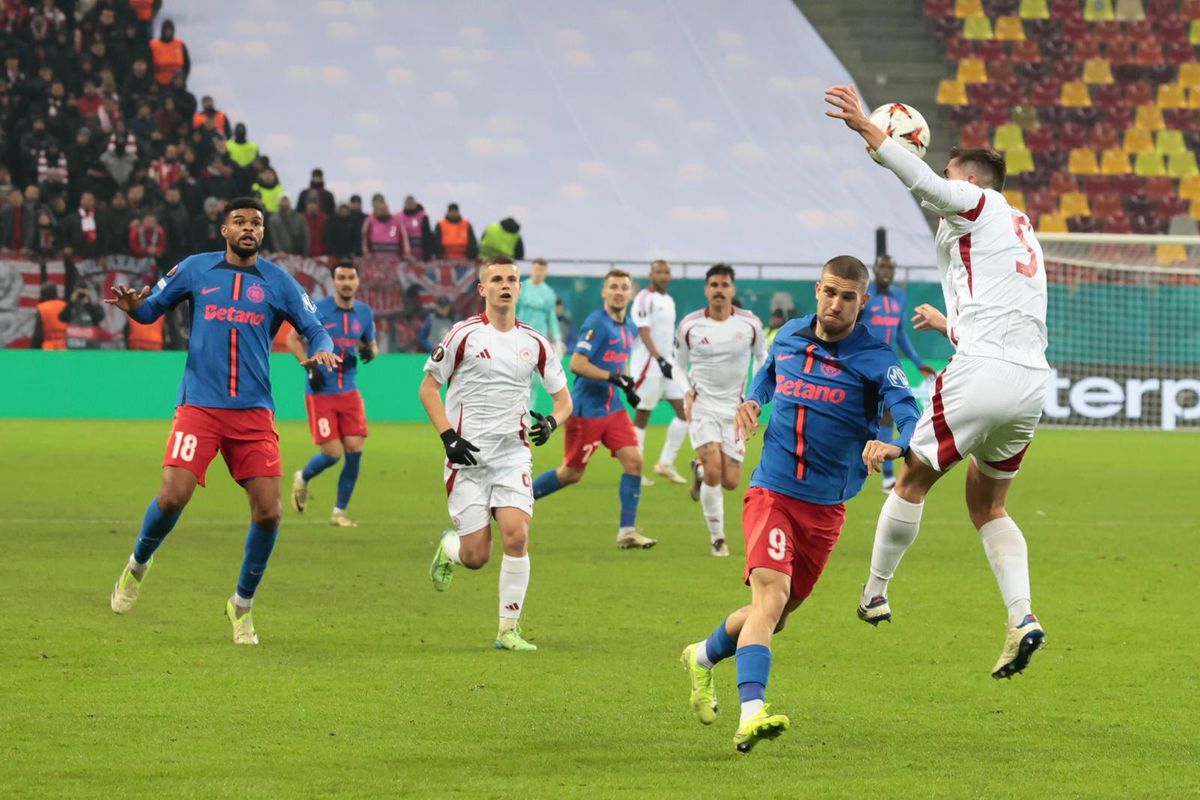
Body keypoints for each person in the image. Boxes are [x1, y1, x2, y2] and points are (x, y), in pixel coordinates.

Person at [825, 83, 1049, 678]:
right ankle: (1022, 617)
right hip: (1030, 382)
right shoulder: (1020, 227)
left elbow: (925, 183)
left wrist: (869, 131)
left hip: (983, 372)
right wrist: (950, 324)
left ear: (972, 182)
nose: (944, 181)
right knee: (988, 503)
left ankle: (874, 592)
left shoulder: (979, 202)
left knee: (911, 479)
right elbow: (1008, 313)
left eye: (952, 174)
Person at [679, 255, 920, 753]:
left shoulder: (877, 358)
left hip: (827, 508)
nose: (836, 304)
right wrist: (753, 401)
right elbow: (767, 375)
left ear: (862, 302)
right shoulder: (788, 335)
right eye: (829, 292)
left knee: (775, 614)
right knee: (770, 599)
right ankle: (752, 713)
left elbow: (908, 413)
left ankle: (701, 656)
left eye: (847, 297)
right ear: (817, 289)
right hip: (772, 491)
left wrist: (896, 445)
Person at [104, 197, 338, 645]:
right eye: (239, 222)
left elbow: (315, 328)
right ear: (224, 230)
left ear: (262, 232)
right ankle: (137, 565)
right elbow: (151, 310)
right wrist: (134, 307)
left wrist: (324, 347)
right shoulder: (196, 269)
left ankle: (241, 606)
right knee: (172, 497)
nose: (249, 228)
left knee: (269, 513)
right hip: (200, 406)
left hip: (253, 412)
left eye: (256, 223)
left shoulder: (279, 282)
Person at [422, 257, 573, 651]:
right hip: (467, 459)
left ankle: (508, 630)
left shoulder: (535, 343)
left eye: (511, 280)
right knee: (476, 557)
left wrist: (552, 422)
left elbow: (564, 402)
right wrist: (449, 438)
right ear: (482, 289)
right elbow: (428, 389)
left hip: (512, 456)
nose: (505, 285)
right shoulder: (463, 335)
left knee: (517, 536)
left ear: (519, 288)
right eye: (497, 280)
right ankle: (450, 547)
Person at [530, 269, 657, 550]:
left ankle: (627, 532)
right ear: (604, 292)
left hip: (613, 408)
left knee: (635, 462)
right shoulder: (596, 324)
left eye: (623, 287)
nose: (619, 292)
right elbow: (577, 363)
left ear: (631, 293)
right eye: (613, 287)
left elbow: (620, 363)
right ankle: (517, 499)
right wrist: (613, 378)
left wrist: (627, 388)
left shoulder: (629, 327)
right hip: (586, 412)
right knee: (571, 474)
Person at [673, 264, 766, 557]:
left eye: (724, 285)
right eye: (714, 285)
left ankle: (699, 470)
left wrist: (755, 397)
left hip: (735, 409)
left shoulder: (750, 324)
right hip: (702, 407)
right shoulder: (690, 326)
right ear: (706, 290)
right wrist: (685, 389)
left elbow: (761, 358)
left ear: (732, 289)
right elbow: (677, 365)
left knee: (731, 481)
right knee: (715, 473)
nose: (719, 290)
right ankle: (718, 540)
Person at [288, 259, 376, 527]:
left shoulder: (364, 312)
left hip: (349, 390)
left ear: (358, 281)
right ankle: (303, 477)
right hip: (321, 391)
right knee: (333, 453)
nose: (346, 283)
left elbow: (371, 344)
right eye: (341, 278)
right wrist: (309, 366)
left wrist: (369, 352)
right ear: (334, 281)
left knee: (355, 448)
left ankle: (339, 512)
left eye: (351, 278)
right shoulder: (318, 308)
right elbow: (291, 339)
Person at [863, 254, 937, 491]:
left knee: (888, 416)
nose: (886, 271)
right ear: (875, 270)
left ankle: (887, 477)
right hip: (862, 364)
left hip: (887, 366)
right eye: (882, 267)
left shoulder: (899, 296)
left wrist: (917, 362)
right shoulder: (864, 295)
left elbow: (900, 333)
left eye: (890, 268)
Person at [630, 260, 689, 486]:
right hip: (648, 366)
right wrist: (658, 358)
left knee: (685, 411)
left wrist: (671, 359)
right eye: (659, 272)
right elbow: (643, 331)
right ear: (651, 275)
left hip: (668, 364)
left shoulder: (669, 300)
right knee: (642, 416)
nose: (663, 276)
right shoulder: (644, 298)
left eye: (667, 272)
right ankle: (635, 470)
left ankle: (665, 463)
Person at [515, 258, 561, 350]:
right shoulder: (521, 288)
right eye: (536, 269)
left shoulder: (549, 293)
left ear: (546, 272)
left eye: (541, 270)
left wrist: (557, 338)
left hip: (540, 336)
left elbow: (552, 317)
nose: (538, 273)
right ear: (531, 270)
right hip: (519, 334)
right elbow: (512, 311)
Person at [31, 282, 67, 349]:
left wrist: (33, 350)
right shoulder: (65, 306)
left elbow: (37, 335)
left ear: (44, 294)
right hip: (64, 347)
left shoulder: (42, 308)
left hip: (48, 348)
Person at [399, 195, 434, 261]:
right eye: (408, 203)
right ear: (404, 204)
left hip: (420, 254)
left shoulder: (423, 217)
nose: (410, 205)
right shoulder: (398, 216)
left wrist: (427, 252)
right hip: (403, 254)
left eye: (411, 203)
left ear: (415, 204)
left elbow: (427, 235)